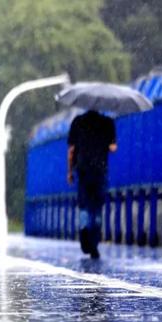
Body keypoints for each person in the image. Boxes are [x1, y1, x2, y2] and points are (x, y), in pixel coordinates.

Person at [67, 110, 117, 259]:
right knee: (96, 207)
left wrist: (69, 171)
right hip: (100, 170)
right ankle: (94, 243)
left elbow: (71, 151)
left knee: (84, 205)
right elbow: (113, 147)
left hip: (83, 170)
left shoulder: (78, 121)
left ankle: (84, 233)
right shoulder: (107, 122)